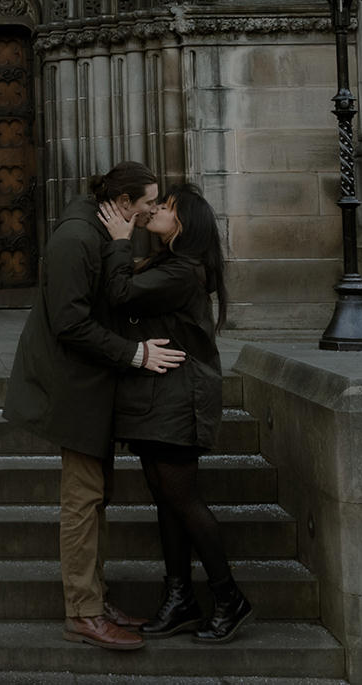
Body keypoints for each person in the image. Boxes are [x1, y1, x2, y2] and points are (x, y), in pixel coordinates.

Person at [3, 161, 184, 651]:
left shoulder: (104, 226)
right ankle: (82, 612)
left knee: (95, 495)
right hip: (75, 386)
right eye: (148, 202)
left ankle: (94, 599)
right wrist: (135, 353)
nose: (152, 209)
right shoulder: (76, 238)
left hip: (94, 384)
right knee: (82, 500)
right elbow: (69, 323)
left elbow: (111, 288)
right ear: (124, 201)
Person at [98, 181, 251, 644]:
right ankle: (180, 595)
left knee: (181, 498)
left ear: (183, 224)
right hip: (159, 394)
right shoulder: (170, 263)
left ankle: (229, 597)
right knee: (165, 495)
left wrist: (120, 243)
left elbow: (121, 293)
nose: (156, 211)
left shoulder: (183, 271)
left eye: (165, 207)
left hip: (180, 396)